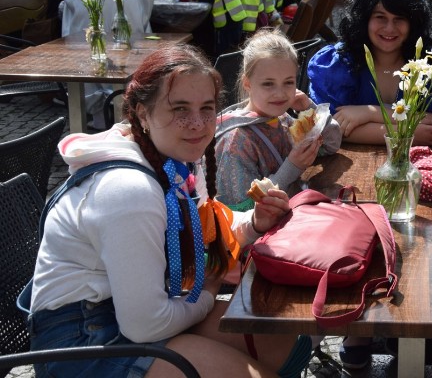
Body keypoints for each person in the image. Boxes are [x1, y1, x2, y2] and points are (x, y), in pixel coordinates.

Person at [27, 44, 312, 377]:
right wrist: (207, 293)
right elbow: (146, 326)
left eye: (207, 108)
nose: (197, 123)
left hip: (130, 313)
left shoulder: (175, 160)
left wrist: (255, 222)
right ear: (142, 113)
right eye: (179, 108)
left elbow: (207, 226)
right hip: (85, 343)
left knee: (291, 343)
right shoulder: (128, 191)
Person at [308, 0, 432, 146]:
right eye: (380, 17)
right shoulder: (338, 64)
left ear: (413, 23)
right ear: (364, 19)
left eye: (400, 19)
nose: (389, 28)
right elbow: (329, 130)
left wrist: (370, 113)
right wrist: (407, 133)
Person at [215, 30, 341, 210]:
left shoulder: (281, 119)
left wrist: (310, 108)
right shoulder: (235, 141)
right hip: (265, 236)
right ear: (248, 84)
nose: (280, 93)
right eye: (268, 83)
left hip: (295, 216)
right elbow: (240, 211)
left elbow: (332, 144)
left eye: (288, 82)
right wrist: (293, 166)